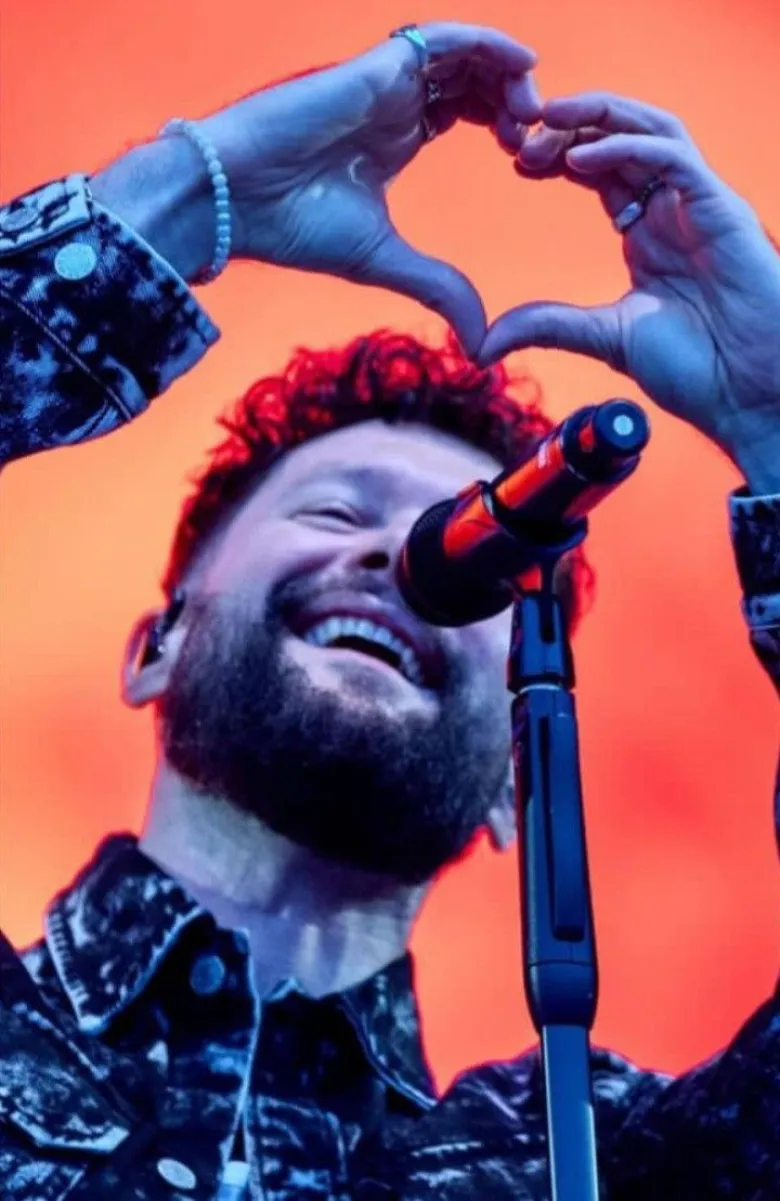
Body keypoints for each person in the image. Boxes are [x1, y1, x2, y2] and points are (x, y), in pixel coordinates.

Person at [1, 18, 778, 1201]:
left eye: (479, 567)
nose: (395, 554)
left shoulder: (596, 1159)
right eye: (332, 510)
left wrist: (774, 424)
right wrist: (190, 195)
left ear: (519, 778)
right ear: (158, 646)